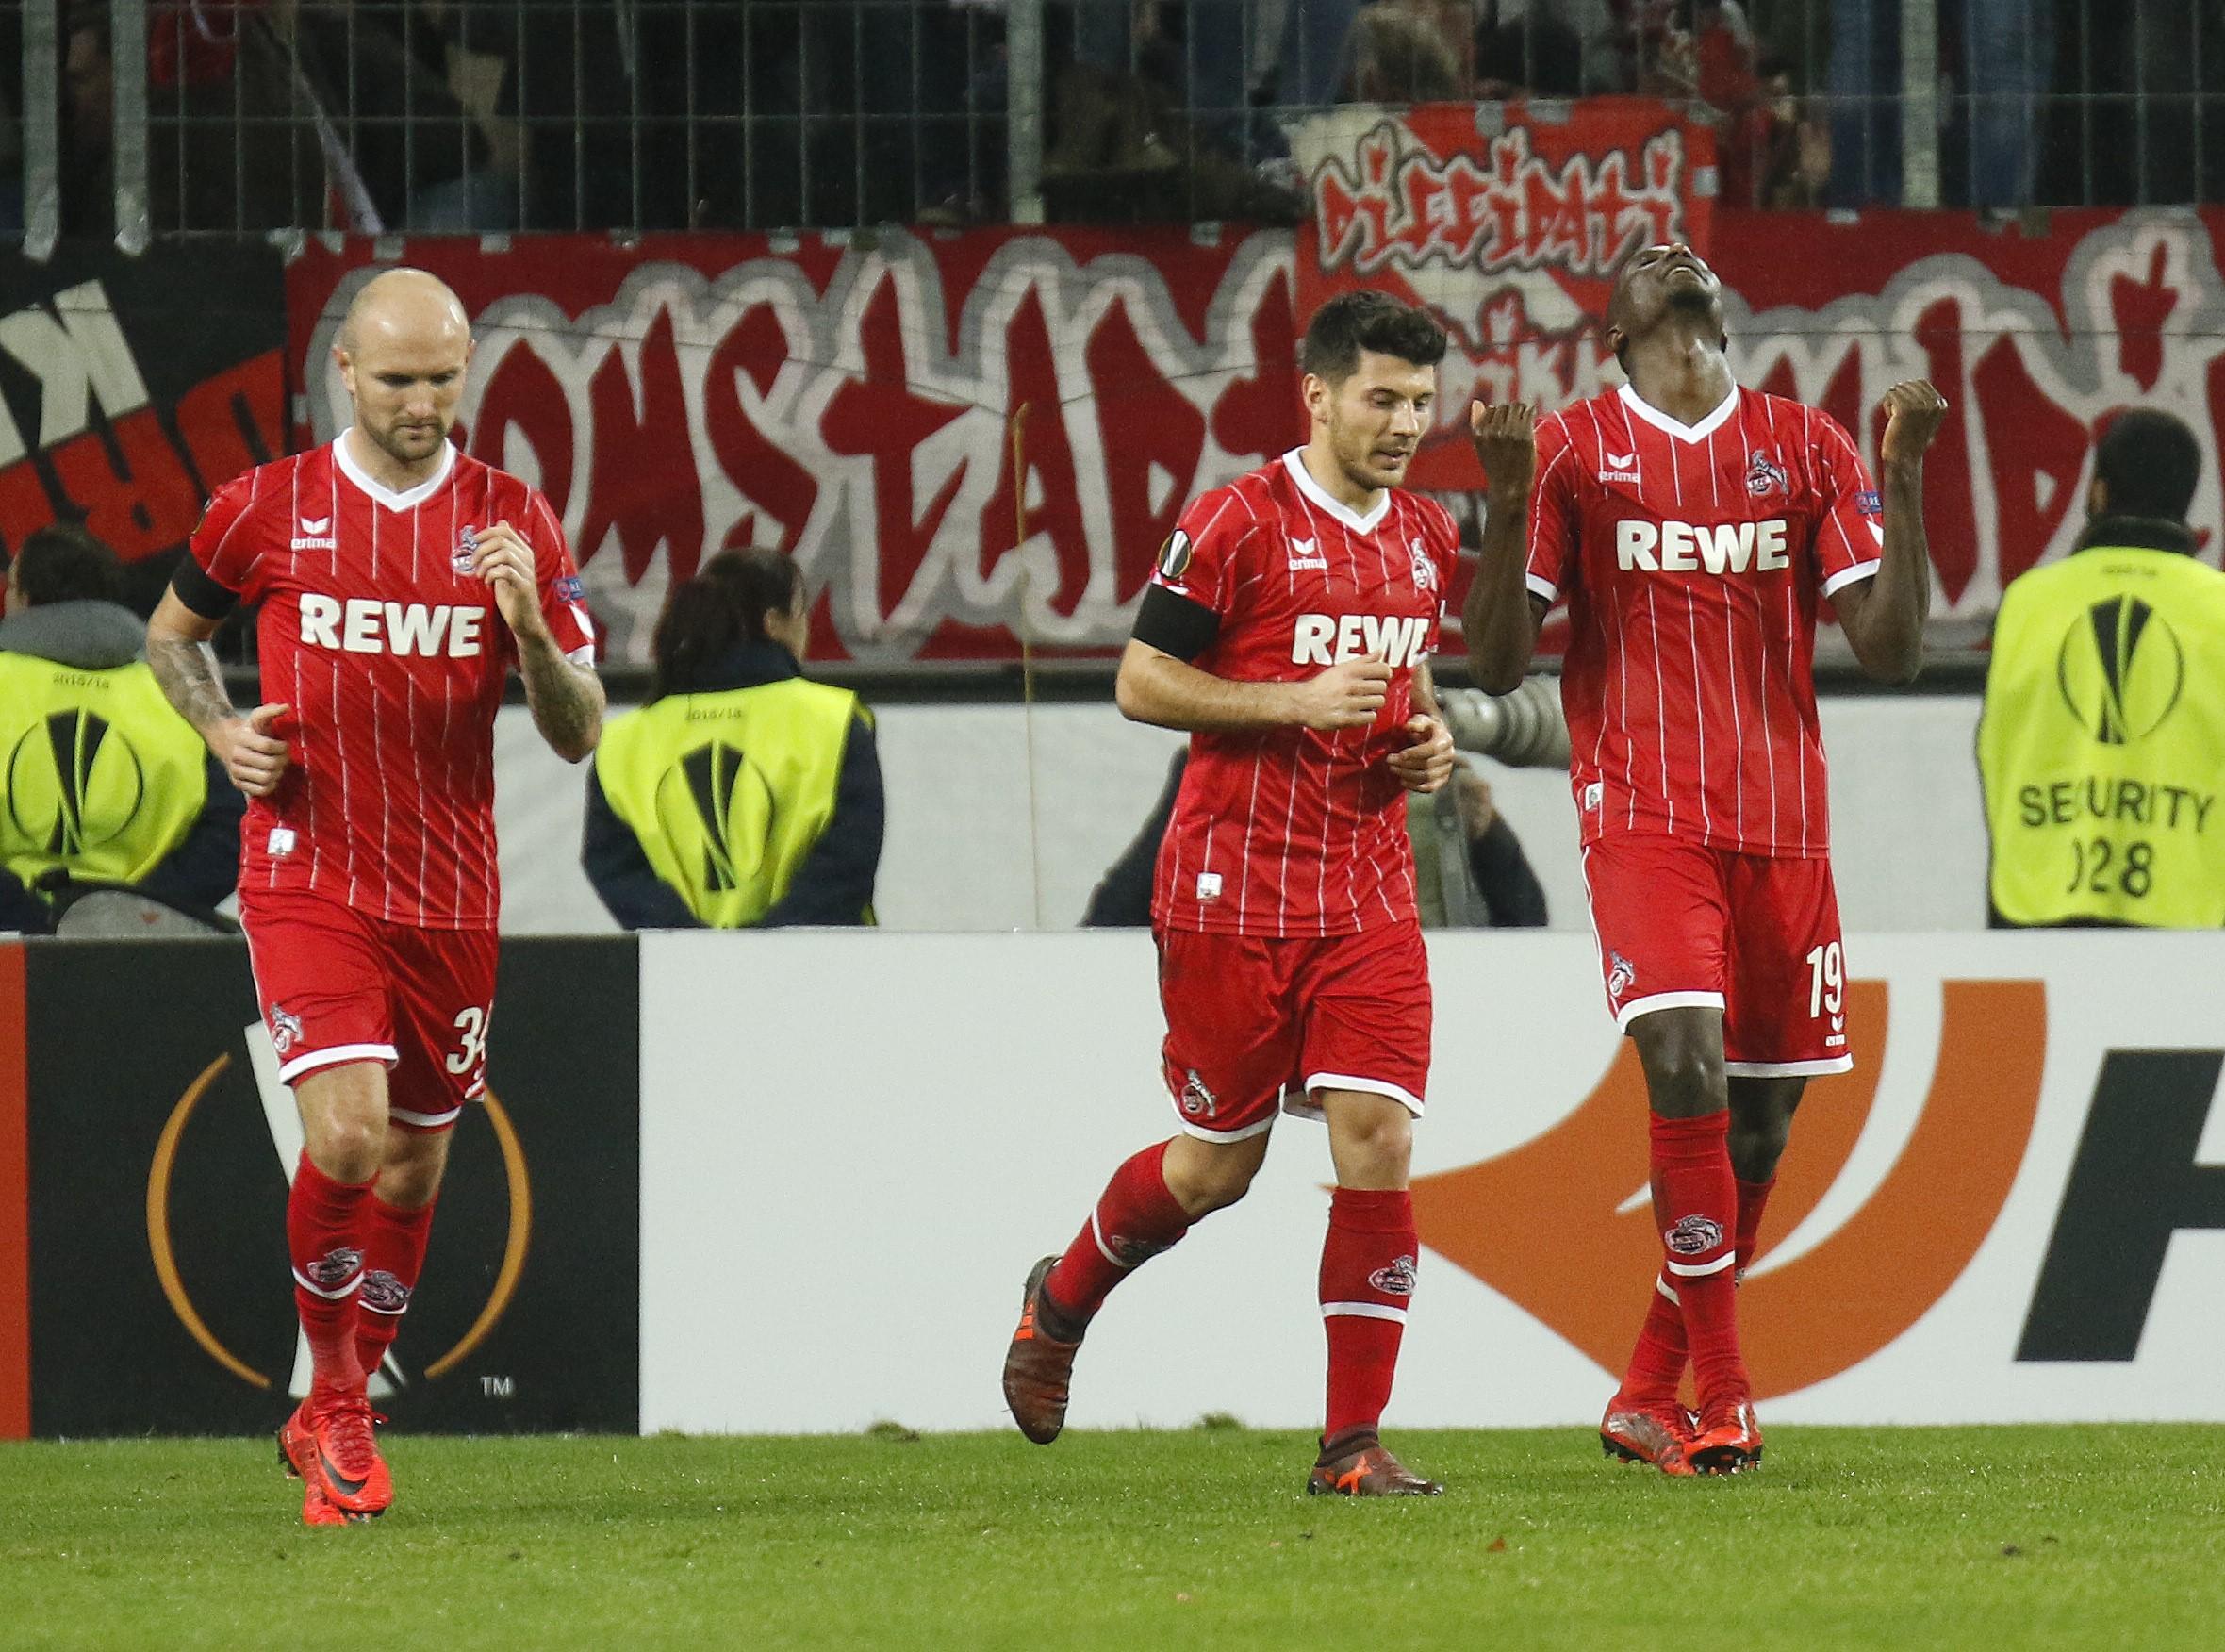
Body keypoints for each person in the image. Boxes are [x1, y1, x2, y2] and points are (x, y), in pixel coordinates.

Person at [1465, 241, 1946, 1475]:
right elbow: (1501, 666)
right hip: (1643, 811)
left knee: (1764, 1132)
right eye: (1646, 268)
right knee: (1685, 1060)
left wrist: (1905, 474)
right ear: (1616, 334)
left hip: (1782, 824)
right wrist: (1510, 500)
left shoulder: (1809, 442)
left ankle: (1644, 1389)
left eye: (1688, 260)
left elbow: (1891, 650)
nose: (1674, 259)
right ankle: (1728, 1394)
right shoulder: (1570, 446)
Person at [144, 267, 603, 1526]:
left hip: (451, 892)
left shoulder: (516, 522)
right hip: (309, 871)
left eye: (444, 379)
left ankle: (332, 1402)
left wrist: (535, 632)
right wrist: (219, 731)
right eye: (397, 379)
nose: (422, 402)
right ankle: (336, 1397)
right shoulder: (267, 508)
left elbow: (579, 734)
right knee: (344, 1141)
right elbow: (171, 634)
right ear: (344, 372)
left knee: (409, 1173)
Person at [1001, 289, 1460, 1496]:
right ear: (1315, 394)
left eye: (1420, 402)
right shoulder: (1235, 523)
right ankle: (1060, 1301)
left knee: (1379, 1137)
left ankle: (1349, 1447)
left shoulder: (1425, 537)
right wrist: (1287, 702)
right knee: (1216, 1169)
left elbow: (1403, 692)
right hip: (1229, 891)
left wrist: (1425, 745)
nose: (1404, 422)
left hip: (1364, 890)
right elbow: (1141, 681)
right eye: (1381, 398)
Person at [1978, 410, 2225, 929]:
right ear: (2186, 500)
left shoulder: (2029, 602)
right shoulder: (2218, 609)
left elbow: (1995, 755)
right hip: (2192, 915)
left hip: (2039, 902)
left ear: (2098, 493)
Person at [583, 549, 882, 929]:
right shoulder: (834, 719)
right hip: (822, 971)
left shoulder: (625, 742)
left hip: (680, 976)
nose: (806, 624)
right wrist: (768, 945)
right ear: (773, 623)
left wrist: (696, 945)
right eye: (801, 610)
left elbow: (616, 868)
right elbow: (846, 862)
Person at [0, 523, 241, 933]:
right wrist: (132, 913)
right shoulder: (177, 691)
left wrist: (29, 917)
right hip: (142, 958)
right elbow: (230, 833)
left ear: (23, 597)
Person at [1082, 747, 1547, 928]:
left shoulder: (1425, 771)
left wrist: (1488, 836)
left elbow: (1528, 925)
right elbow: (1115, 915)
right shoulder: (1217, 769)